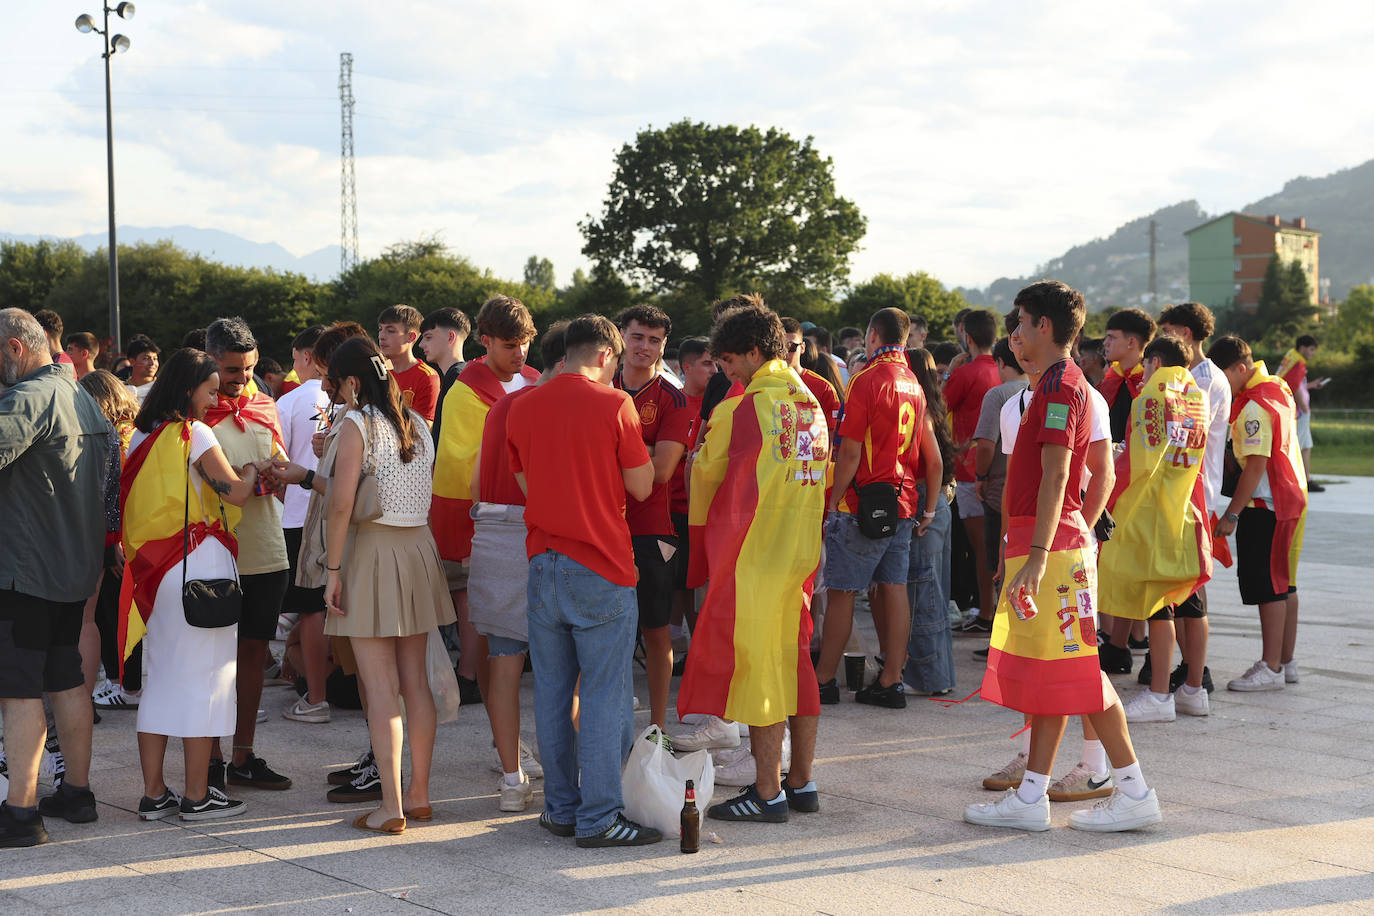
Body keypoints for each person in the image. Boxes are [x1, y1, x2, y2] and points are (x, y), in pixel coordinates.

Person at [965, 281, 1161, 834]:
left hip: (1054, 547)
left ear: (1044, 326)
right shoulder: (1050, 384)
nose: (1015, 333)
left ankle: (1133, 790)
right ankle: (1032, 794)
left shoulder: (1061, 388)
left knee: (1078, 671)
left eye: (1022, 322)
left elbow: (1058, 475)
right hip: (1043, 542)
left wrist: (1037, 553)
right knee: (1056, 670)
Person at [506, 313, 659, 848]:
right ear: (605, 356)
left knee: (550, 691)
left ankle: (562, 809)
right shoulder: (616, 404)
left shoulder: (520, 406)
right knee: (603, 694)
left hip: (543, 562)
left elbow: (528, 484)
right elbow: (642, 485)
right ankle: (600, 818)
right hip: (599, 565)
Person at [674, 303, 828, 823]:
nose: (726, 372)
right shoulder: (812, 401)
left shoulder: (741, 409)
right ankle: (801, 781)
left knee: (762, 672)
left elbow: (704, 476)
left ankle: (767, 792)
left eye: (730, 362)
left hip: (755, 555)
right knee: (796, 665)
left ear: (755, 353)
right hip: (800, 552)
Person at [314, 336, 454, 834]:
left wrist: (331, 570)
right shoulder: (416, 422)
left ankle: (389, 806)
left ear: (353, 382)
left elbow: (341, 504)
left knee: (380, 690)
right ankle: (418, 795)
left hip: (372, 553)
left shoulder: (357, 423)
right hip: (418, 550)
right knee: (415, 684)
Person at [120, 348, 265, 822]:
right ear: (188, 390)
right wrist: (251, 467)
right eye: (208, 391)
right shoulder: (194, 433)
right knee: (206, 681)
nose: (212, 399)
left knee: (159, 681)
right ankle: (199, 796)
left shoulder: (140, 433)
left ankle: (154, 793)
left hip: (157, 574)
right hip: (200, 567)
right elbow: (237, 492)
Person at [0, 308, 111, 847]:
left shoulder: (27, 397)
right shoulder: (81, 395)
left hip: (25, 569)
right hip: (73, 567)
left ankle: (20, 814)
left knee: (19, 687)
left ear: (16, 348)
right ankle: (78, 793)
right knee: (65, 677)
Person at [469, 323, 566, 812]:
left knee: (504, 664)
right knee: (561, 665)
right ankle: (563, 774)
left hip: (490, 532)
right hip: (540, 535)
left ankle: (511, 778)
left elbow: (476, 475)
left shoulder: (504, 406)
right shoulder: (563, 406)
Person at [814, 307, 932, 709]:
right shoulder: (914, 381)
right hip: (902, 500)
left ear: (873, 335)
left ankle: (825, 680)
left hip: (861, 502)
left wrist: (832, 502)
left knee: (843, 593)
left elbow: (848, 453)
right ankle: (891, 680)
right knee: (894, 588)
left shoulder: (866, 379)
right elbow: (923, 452)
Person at [432, 296, 541, 705]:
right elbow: (460, 464)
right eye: (509, 345)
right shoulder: (465, 391)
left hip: (532, 514)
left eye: (525, 343)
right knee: (481, 606)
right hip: (488, 518)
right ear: (485, 341)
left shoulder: (534, 380)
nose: (520, 353)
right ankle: (476, 678)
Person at [1098, 335, 1213, 724]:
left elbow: (1139, 462)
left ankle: (1160, 693)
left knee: (1158, 604)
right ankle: (1194, 690)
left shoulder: (1152, 396)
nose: (1142, 373)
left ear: (1154, 361)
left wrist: (1106, 497)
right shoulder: (1196, 396)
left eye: (1146, 365)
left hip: (1155, 514)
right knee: (1191, 602)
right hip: (1188, 509)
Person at [202, 317, 293, 792]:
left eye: (249, 368)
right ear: (210, 360)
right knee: (215, 660)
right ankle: (209, 758)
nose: (242, 378)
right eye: (232, 369)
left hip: (265, 547)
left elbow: (277, 458)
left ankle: (243, 755)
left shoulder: (264, 403)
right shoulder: (194, 411)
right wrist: (239, 477)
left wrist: (273, 473)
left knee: (255, 652)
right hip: (214, 551)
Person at [1209, 336, 1307, 692]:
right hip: (1288, 498)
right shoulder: (1275, 386)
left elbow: (1255, 465)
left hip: (1265, 503)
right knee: (1284, 583)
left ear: (1239, 368)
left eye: (1223, 376)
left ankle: (1271, 667)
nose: (1221, 385)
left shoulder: (1253, 406)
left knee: (1268, 587)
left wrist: (1231, 514)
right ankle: (1285, 661)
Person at [1146, 302, 1232, 698]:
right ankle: (1187, 670)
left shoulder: (1204, 379)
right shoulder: (1190, 375)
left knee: (1190, 588)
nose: (1162, 338)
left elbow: (1179, 433)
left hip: (1194, 494)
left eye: (1169, 330)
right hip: (1181, 493)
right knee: (1181, 587)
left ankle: (1196, 675)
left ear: (1187, 333)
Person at [614, 304, 692, 732]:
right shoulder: (600, 385)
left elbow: (662, 471)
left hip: (653, 530)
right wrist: (641, 451)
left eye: (654, 340)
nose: (644, 346)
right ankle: (609, 723)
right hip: (603, 525)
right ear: (621, 335)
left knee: (656, 630)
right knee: (607, 637)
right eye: (638, 336)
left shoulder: (672, 397)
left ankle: (657, 726)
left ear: (664, 345)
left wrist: (612, 450)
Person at [274, 325, 332, 723]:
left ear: (307, 357)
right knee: (326, 607)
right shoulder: (349, 399)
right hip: (339, 510)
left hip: (298, 515)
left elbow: (276, 463)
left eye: (295, 360)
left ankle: (316, 697)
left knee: (310, 609)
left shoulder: (291, 400)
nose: (294, 368)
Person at [76, 371, 139, 708]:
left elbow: (118, 495)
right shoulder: (130, 432)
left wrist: (115, 542)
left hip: (115, 540)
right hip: (120, 537)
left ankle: (119, 684)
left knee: (104, 617)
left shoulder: (109, 436)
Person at [902, 348, 956, 695]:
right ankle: (938, 674)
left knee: (924, 593)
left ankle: (931, 678)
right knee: (934, 590)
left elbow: (933, 464)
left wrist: (929, 509)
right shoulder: (934, 407)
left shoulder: (920, 410)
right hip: (937, 502)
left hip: (926, 501)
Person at [945, 309, 1001, 634]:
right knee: (991, 545)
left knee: (980, 547)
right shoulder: (1003, 370)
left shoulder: (966, 373)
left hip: (969, 470)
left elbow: (939, 408)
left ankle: (985, 614)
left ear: (966, 336)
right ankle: (988, 610)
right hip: (997, 467)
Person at [666, 337, 717, 656]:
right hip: (673, 511)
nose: (714, 369)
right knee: (678, 581)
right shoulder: (674, 403)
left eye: (716, 362)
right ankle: (682, 642)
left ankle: (701, 646)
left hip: (706, 512)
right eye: (707, 363)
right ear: (686, 367)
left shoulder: (719, 406)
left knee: (700, 583)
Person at [1276, 335, 1328, 492]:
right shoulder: (1298, 362)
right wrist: (1304, 407)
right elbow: (1295, 386)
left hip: (1291, 409)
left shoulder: (1291, 356)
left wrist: (1310, 385)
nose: (1313, 353)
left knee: (1305, 445)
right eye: (1311, 349)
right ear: (1303, 348)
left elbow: (1296, 384)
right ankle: (1297, 480)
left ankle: (1306, 478)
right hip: (1298, 412)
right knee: (1299, 445)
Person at [377, 305, 439, 425]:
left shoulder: (426, 377)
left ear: (411, 337)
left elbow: (422, 430)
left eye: (390, 331)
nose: (381, 336)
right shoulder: (379, 371)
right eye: (380, 329)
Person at [418, 307, 470, 445]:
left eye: (428, 337)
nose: (421, 344)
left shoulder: (458, 378)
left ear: (450, 337)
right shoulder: (460, 375)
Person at [125, 336, 160, 405]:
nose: (152, 363)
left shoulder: (162, 389)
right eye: (146, 358)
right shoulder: (121, 390)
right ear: (132, 361)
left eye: (155, 359)